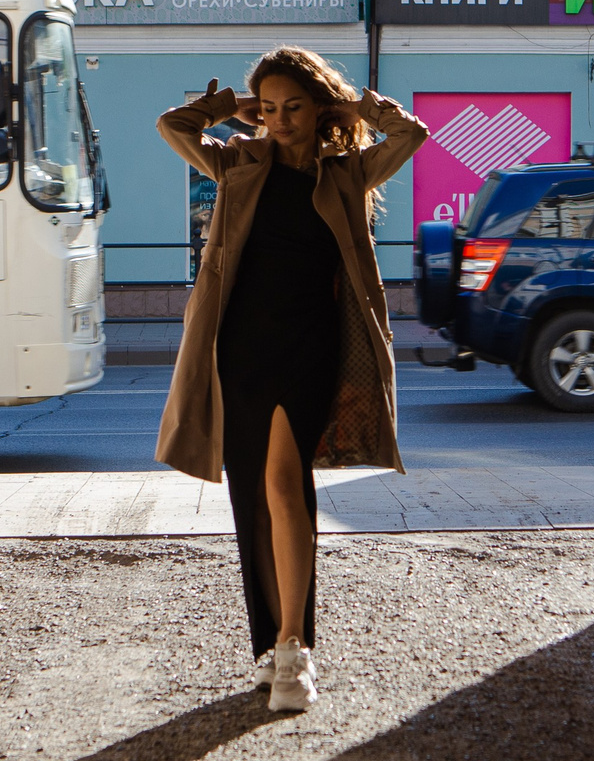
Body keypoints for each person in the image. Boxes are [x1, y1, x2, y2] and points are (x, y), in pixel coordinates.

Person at [154, 49, 427, 712]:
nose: (278, 120)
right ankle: (270, 648)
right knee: (252, 496)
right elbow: (173, 129)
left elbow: (411, 136)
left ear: (318, 108)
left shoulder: (346, 173)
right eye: (268, 108)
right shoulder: (239, 162)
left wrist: (360, 109)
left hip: (310, 344)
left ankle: (295, 647)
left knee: (282, 478)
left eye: (293, 107)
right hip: (239, 347)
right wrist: (221, 109)